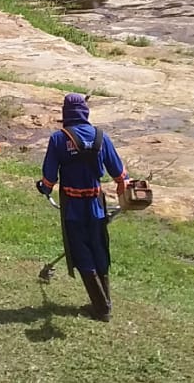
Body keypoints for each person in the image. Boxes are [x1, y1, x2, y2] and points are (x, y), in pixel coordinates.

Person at [37, 93, 128, 321]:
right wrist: (122, 188)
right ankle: (104, 301)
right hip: (96, 205)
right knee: (99, 249)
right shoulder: (101, 137)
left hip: (73, 206)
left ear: (65, 112)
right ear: (85, 111)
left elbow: (49, 177)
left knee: (81, 251)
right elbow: (120, 175)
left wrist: (44, 188)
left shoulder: (59, 139)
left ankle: (101, 307)